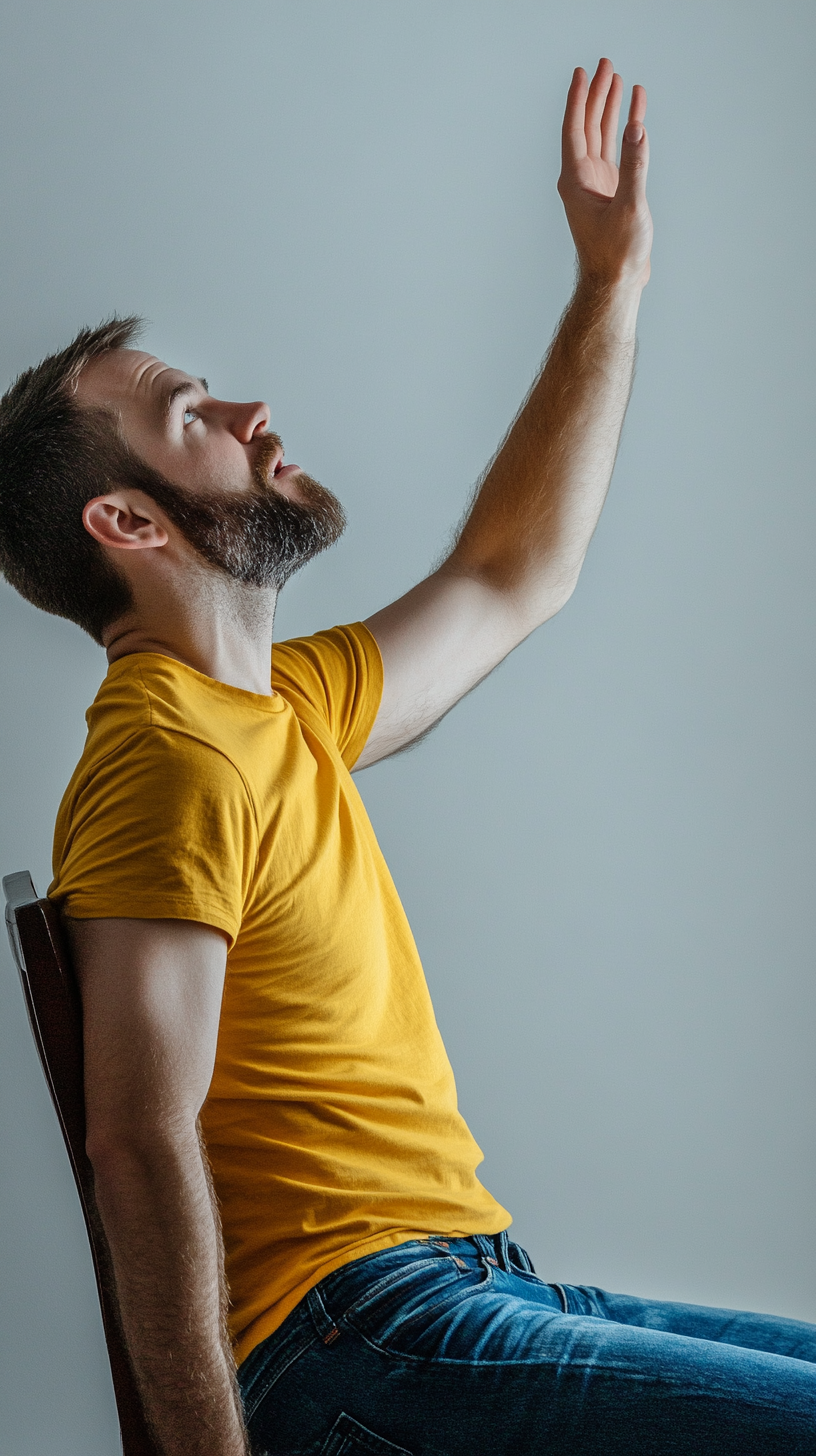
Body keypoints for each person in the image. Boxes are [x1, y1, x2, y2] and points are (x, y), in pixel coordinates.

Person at [1, 56, 814, 1456]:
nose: (250, 414)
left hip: (463, 1285)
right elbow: (139, 1141)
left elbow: (514, 573)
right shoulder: (164, 761)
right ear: (127, 526)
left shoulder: (284, 712)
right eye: (192, 414)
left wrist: (607, 283)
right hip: (355, 1338)